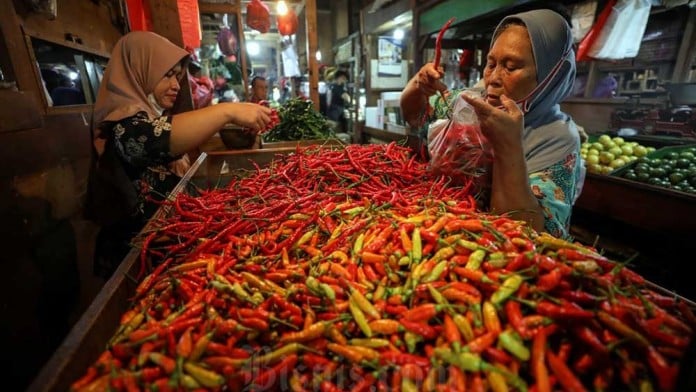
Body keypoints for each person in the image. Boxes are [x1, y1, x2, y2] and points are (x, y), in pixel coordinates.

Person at [88, 31, 272, 279]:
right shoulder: (122, 126)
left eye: (177, 76)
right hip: (134, 262)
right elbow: (155, 141)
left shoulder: (149, 116)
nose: (176, 85)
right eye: (167, 75)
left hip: (165, 247)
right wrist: (226, 112)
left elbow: (176, 136)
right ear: (139, 71)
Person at [400, 9, 584, 238]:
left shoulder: (557, 139)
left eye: (511, 67)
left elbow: (528, 235)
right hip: (438, 231)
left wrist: (508, 145)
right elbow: (415, 116)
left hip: (491, 256)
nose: (493, 79)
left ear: (552, 75)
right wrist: (419, 86)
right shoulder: (470, 104)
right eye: (491, 64)